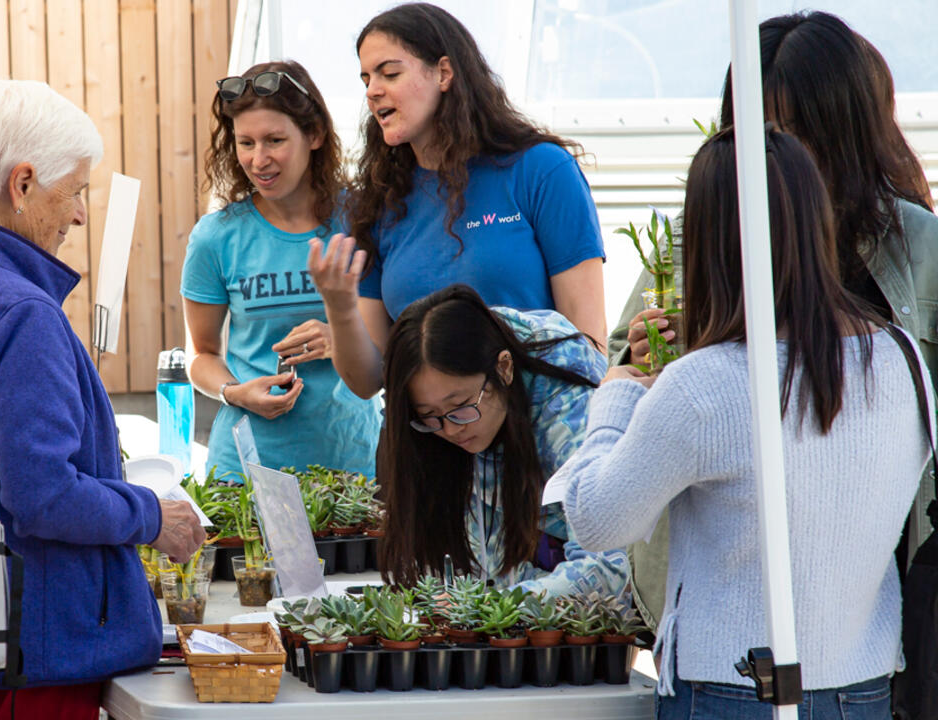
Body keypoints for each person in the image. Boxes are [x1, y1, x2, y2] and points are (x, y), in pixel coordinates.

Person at [559, 127, 930, 716]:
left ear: (708, 239)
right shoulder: (904, 358)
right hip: (864, 687)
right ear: (817, 222)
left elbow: (597, 519)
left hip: (730, 686)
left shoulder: (705, 383)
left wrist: (617, 395)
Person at [609, 9, 938, 628]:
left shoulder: (920, 246)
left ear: (846, 128)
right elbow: (621, 365)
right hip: (732, 581)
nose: (774, 153)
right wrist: (641, 363)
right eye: (755, 130)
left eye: (794, 130)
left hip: (875, 592)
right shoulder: (696, 239)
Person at [0, 79, 206, 719]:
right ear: (21, 185)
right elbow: (43, 495)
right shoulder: (20, 311)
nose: (78, 213)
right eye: (75, 191)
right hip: (32, 658)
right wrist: (152, 515)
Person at [311, 2, 606, 400]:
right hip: (426, 447)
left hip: (534, 439)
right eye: (366, 78)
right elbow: (368, 381)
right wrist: (339, 307)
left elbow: (588, 346)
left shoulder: (541, 170)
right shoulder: (376, 202)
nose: (372, 90)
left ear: (444, 73)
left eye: (390, 73)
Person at [181, 60, 378, 478]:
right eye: (246, 142)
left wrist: (342, 335)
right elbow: (201, 354)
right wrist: (235, 393)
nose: (259, 159)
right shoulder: (216, 237)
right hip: (245, 468)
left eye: (275, 140)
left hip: (352, 464)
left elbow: (399, 339)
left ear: (315, 135)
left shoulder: (365, 220)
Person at [377, 284, 626, 598]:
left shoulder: (571, 413)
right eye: (429, 414)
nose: (451, 430)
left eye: (460, 406)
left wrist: (493, 607)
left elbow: (608, 568)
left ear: (504, 368)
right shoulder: (449, 427)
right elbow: (483, 561)